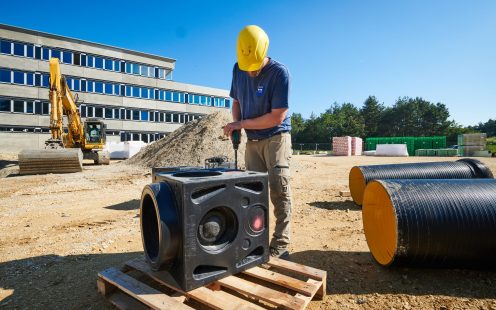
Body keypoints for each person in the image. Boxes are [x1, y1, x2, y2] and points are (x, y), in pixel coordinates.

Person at [224, 25, 292, 259]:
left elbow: (277, 116)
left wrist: (241, 124)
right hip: (252, 140)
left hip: (276, 138)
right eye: (247, 69)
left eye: (254, 69)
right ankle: (255, 241)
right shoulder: (238, 68)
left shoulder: (279, 73)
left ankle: (280, 244)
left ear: (264, 53)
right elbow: (236, 102)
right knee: (251, 194)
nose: (250, 73)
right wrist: (236, 125)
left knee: (278, 191)